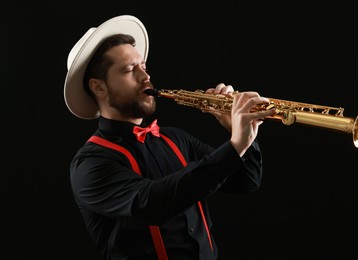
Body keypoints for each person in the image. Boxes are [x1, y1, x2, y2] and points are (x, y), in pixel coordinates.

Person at [64, 15, 276, 260]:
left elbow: (245, 182)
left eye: (143, 66)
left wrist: (238, 132)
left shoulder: (175, 139)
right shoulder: (90, 164)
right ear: (98, 87)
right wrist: (236, 143)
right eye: (130, 70)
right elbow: (152, 203)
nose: (145, 77)